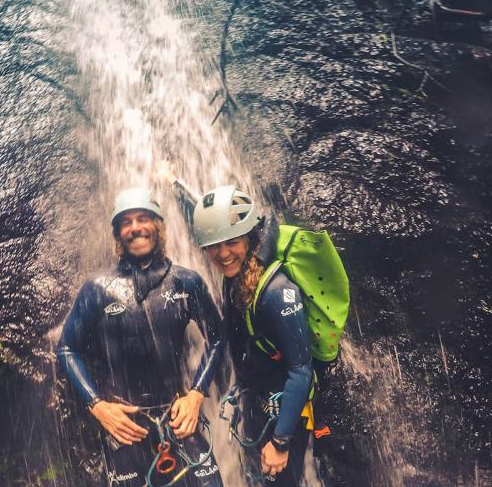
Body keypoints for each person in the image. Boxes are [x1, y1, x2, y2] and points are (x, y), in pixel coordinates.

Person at [57, 188, 225, 487]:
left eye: (143, 218)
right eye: (126, 222)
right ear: (118, 233)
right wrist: (98, 406)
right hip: (124, 429)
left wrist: (197, 394)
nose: (135, 228)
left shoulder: (187, 281)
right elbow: (68, 349)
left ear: (158, 225)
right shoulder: (97, 289)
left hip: (180, 418)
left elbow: (218, 338)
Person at [191, 185, 313, 486]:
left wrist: (281, 442)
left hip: (284, 417)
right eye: (214, 245)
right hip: (258, 408)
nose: (222, 254)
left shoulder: (275, 291)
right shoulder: (236, 278)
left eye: (231, 242)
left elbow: (301, 370)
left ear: (250, 237)